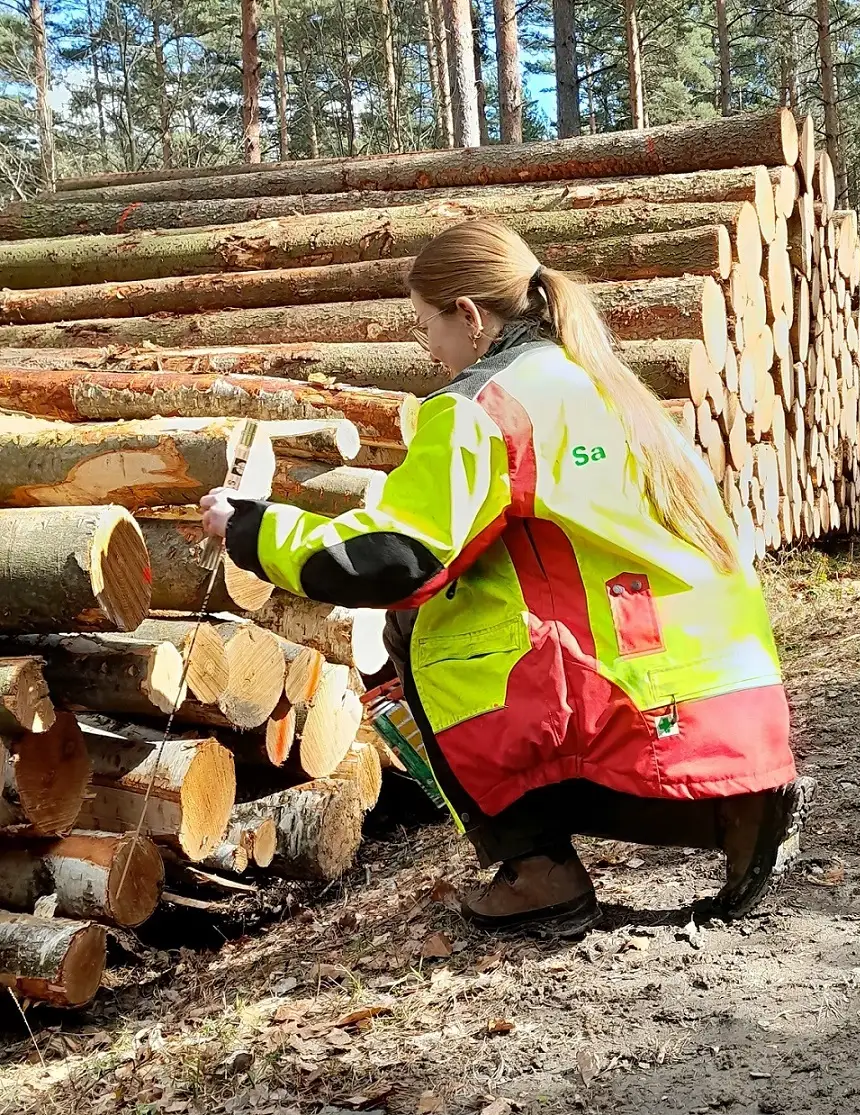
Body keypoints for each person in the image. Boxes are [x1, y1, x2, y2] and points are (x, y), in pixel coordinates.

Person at [201, 220, 806, 938]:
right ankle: (729, 809)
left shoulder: (483, 404)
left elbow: (400, 555)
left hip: (630, 667)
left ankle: (535, 868)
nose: (428, 349)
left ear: (468, 316)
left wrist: (253, 529)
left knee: (423, 632)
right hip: (729, 680)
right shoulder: (603, 381)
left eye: (427, 327)